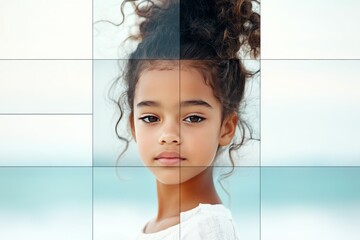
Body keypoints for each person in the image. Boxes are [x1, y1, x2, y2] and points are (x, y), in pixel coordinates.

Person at [113, 0, 260, 239]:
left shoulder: (207, 228)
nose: (169, 135)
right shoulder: (157, 227)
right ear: (133, 126)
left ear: (226, 127)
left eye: (192, 118)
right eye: (151, 118)